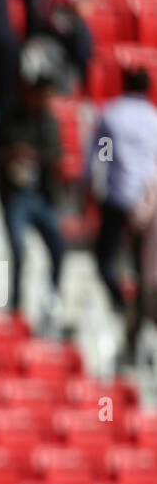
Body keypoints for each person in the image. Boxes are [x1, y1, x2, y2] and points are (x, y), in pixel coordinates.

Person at [94, 67, 157, 363]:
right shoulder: (154, 119)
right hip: (148, 201)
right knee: (141, 267)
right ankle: (133, 307)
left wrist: (95, 185)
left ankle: (123, 304)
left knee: (105, 258)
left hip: (119, 196)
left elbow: (100, 155)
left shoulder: (111, 113)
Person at [0, 73, 65, 325]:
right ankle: (16, 304)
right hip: (17, 196)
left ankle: (52, 295)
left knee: (58, 244)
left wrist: (33, 155)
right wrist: (14, 154)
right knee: (18, 247)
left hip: (42, 196)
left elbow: (57, 157)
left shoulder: (49, 121)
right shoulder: (12, 119)